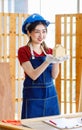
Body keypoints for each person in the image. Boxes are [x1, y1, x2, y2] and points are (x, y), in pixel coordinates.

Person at [18, 13, 60, 119]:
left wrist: (57, 61)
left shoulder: (49, 51)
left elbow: (54, 76)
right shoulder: (23, 51)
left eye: (44, 31)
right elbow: (33, 75)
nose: (41, 35)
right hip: (33, 97)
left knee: (52, 125)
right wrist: (47, 61)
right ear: (29, 32)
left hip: (51, 96)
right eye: (37, 32)